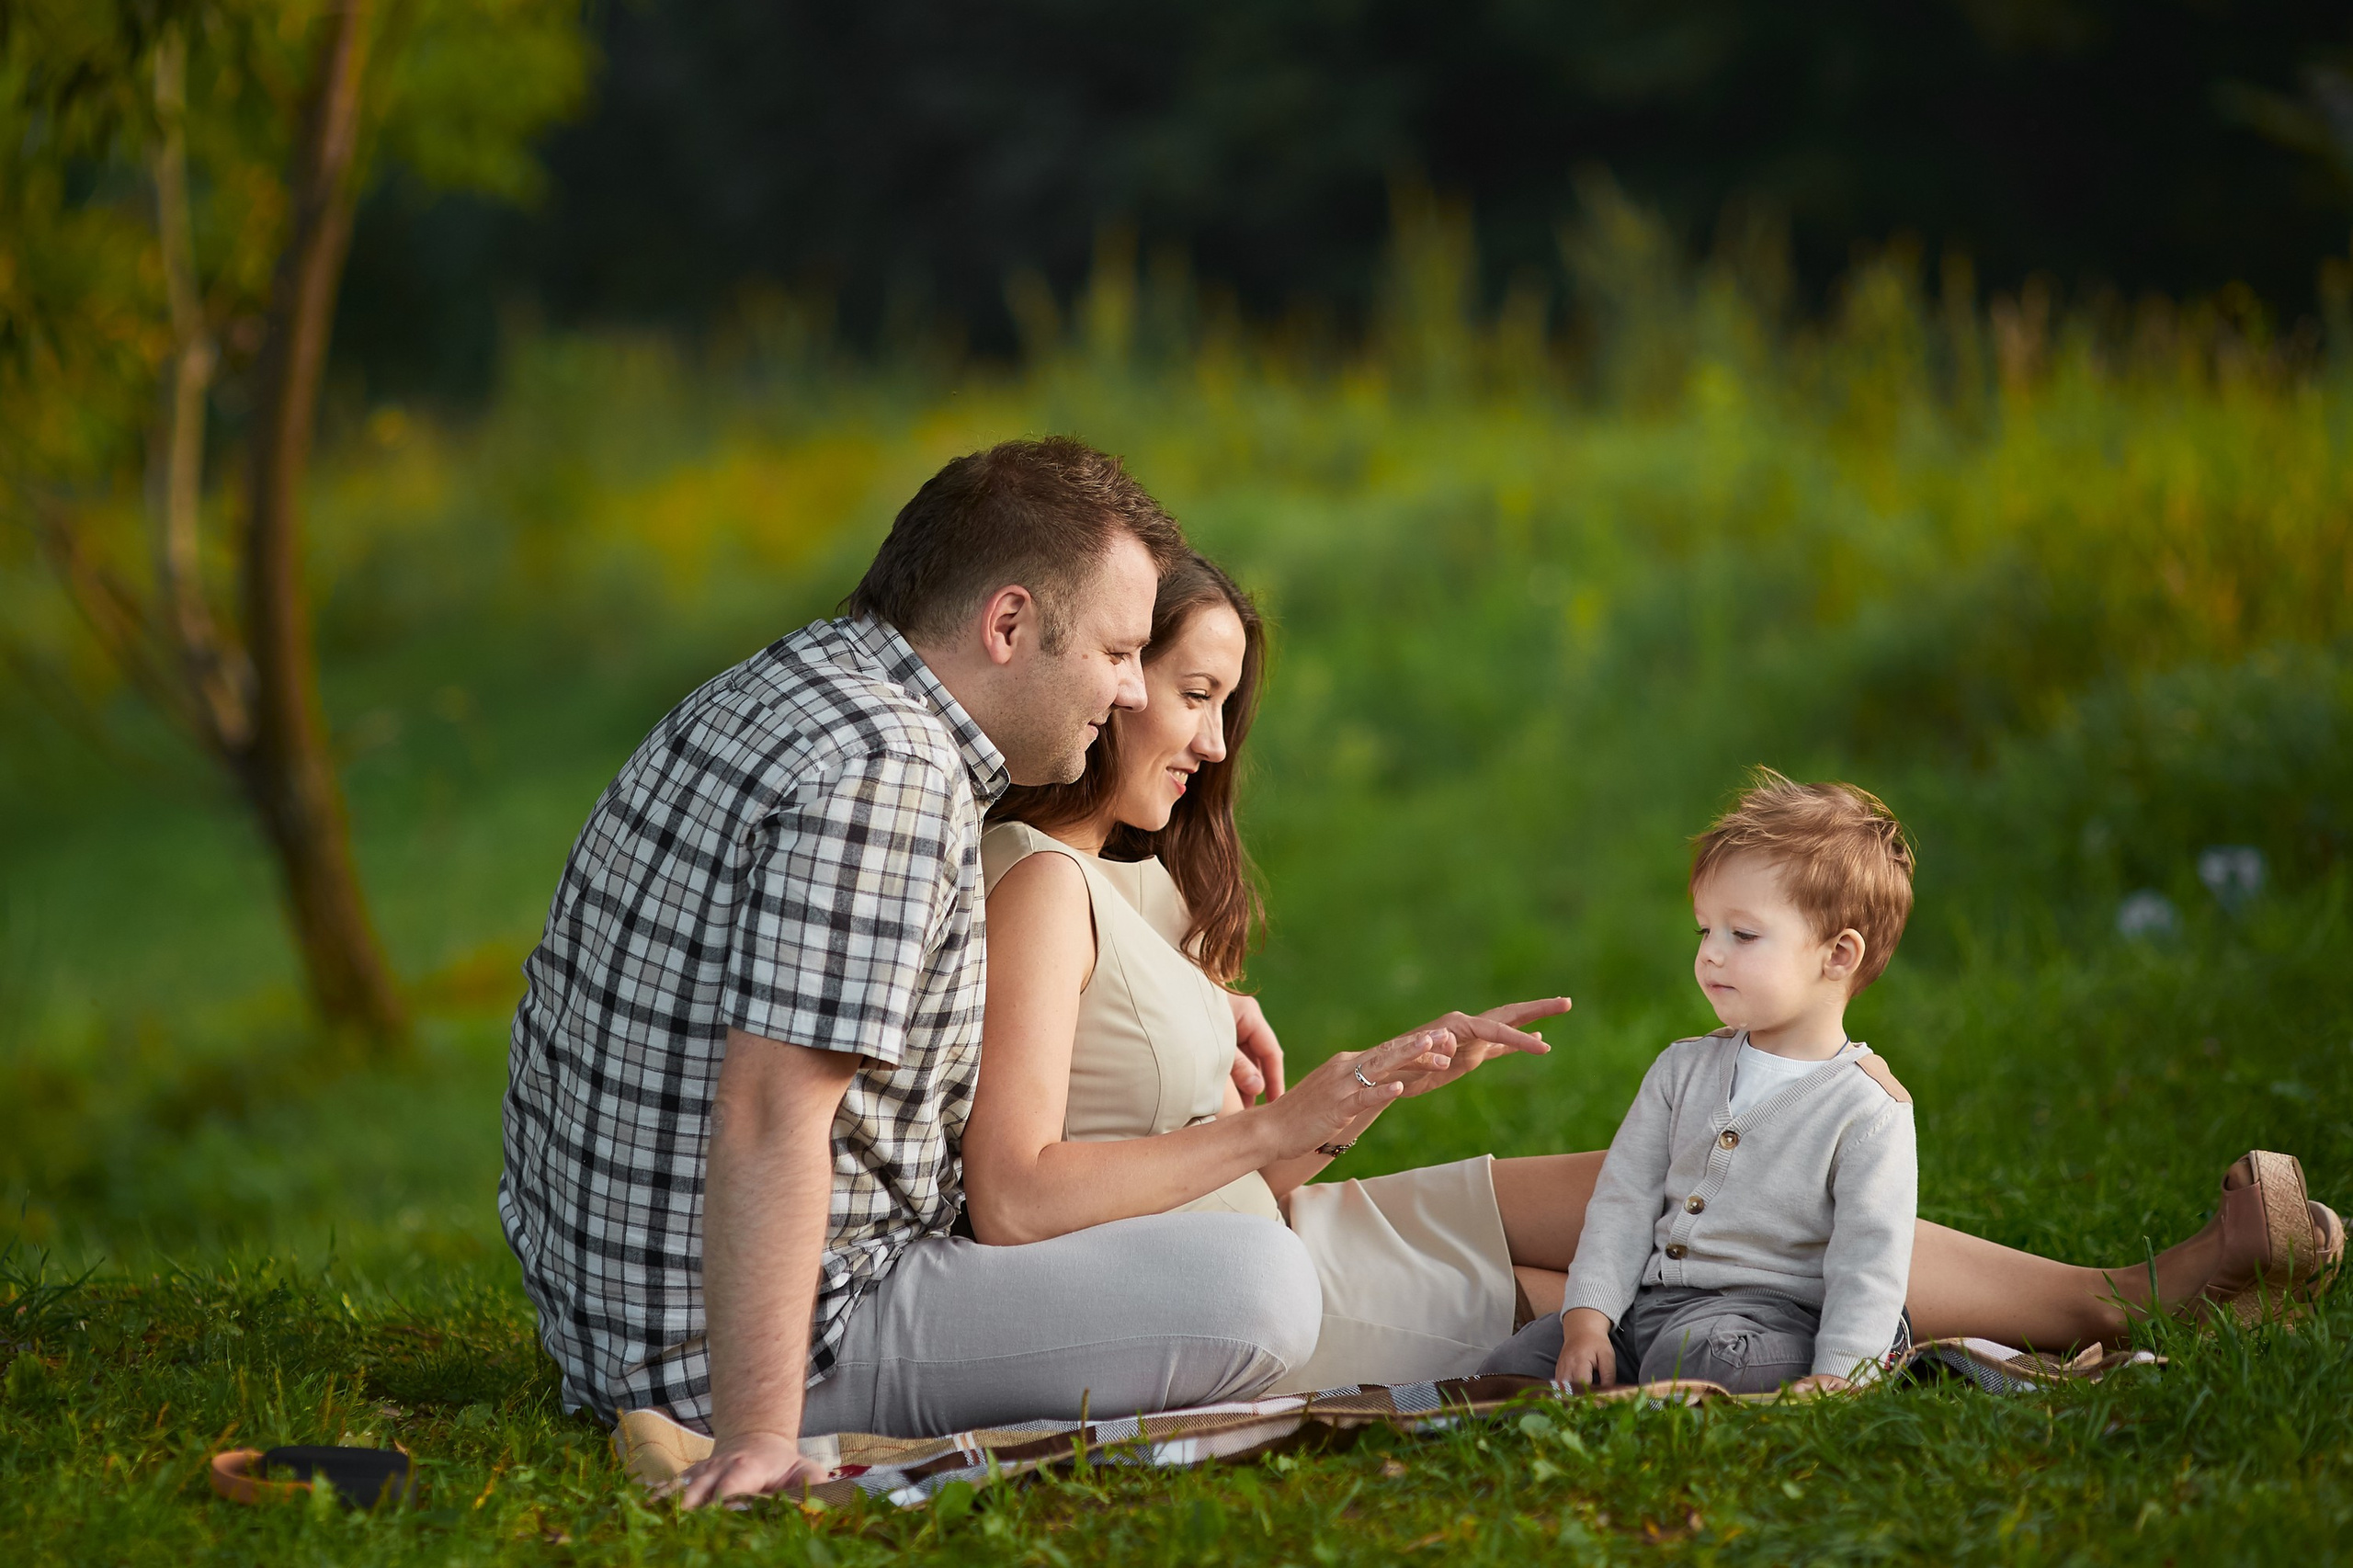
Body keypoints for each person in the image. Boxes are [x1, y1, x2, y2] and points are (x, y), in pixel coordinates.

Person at [964, 551, 2346, 1398]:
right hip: (1227, 1287)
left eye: (1225, 704)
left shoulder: (1157, 883)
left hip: (1290, 1225)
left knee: (1723, 1178)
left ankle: (2115, 1284)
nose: (1209, 740)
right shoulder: (1038, 880)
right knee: (1703, 1268)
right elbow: (1025, 1195)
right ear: (1111, 670)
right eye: (1191, 692)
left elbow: (1244, 1170)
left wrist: (1359, 1097)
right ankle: (2131, 1295)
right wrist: (1276, 1127)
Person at [500, 438, 1396, 1510]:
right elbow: (771, 1109)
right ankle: (763, 1434)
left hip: (611, 1312)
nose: (1124, 693)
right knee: (1257, 1291)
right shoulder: (893, 774)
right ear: (1008, 624)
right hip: (750, 1342)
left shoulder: (788, 685)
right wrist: (754, 1438)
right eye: (1117, 652)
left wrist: (1197, 1003)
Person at [1479, 773, 1919, 1393]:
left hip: (1765, 1319)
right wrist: (1588, 1319)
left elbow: (1868, 1261)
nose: (1711, 953)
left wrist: (1839, 1375)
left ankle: (1868, 1355)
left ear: (1838, 955)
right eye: (1704, 930)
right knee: (1516, 1366)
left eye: (1742, 935)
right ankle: (1624, 1379)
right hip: (1647, 1312)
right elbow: (1623, 1200)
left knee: (1698, 1362)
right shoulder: (1682, 1070)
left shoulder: (1868, 1108)